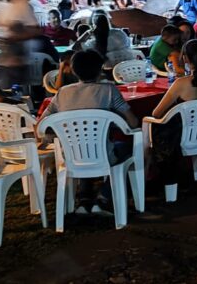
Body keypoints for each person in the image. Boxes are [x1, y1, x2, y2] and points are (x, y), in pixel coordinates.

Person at [41, 50, 138, 213]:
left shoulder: (62, 93)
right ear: (100, 69)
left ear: (73, 70)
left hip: (70, 155)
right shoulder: (109, 90)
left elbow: (42, 124)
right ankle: (104, 197)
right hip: (104, 154)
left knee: (82, 146)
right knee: (129, 149)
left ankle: (84, 198)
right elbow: (133, 122)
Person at [149, 40, 197, 193]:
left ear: (185, 58)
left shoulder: (181, 83)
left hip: (183, 138)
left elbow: (156, 113)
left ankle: (154, 178)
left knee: (152, 128)